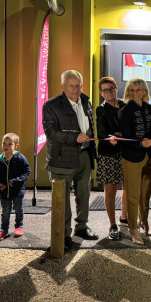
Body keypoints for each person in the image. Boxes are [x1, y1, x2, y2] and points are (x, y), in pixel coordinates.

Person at [43, 69, 98, 250]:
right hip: (62, 159)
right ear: (63, 86)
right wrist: (74, 136)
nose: (75, 89)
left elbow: (89, 127)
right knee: (62, 199)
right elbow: (51, 133)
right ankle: (64, 235)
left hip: (84, 155)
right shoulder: (51, 105)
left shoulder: (86, 101)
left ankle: (81, 227)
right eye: (71, 85)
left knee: (84, 194)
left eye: (78, 85)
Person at [119, 78, 151, 245]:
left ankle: (145, 222)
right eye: (132, 90)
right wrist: (141, 143)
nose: (135, 93)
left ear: (144, 92)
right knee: (133, 194)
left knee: (145, 194)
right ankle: (133, 228)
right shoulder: (125, 110)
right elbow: (126, 136)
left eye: (139, 90)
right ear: (128, 92)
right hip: (131, 157)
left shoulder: (150, 108)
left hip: (149, 156)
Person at [95, 76, 127, 240]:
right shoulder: (101, 110)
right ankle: (113, 224)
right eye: (105, 90)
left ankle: (124, 217)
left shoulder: (126, 106)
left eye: (111, 89)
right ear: (101, 93)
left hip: (127, 153)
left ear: (116, 88)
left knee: (128, 187)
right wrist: (115, 135)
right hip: (109, 153)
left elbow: (130, 129)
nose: (109, 92)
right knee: (111, 189)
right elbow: (101, 133)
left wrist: (120, 134)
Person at [0, 133, 31, 241]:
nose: (6, 146)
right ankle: (3, 230)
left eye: (10, 144)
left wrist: (16, 181)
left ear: (16, 146)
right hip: (4, 192)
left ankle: (19, 226)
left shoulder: (20, 158)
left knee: (18, 209)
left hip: (17, 191)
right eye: (4, 143)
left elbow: (27, 172)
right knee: (5, 210)